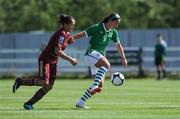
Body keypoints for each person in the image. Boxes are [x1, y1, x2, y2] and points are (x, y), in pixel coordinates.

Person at [12, 14, 78, 110]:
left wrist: (68, 41)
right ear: (64, 24)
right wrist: (71, 59)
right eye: (71, 24)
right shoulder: (61, 34)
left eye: (74, 25)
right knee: (44, 82)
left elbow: (62, 43)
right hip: (45, 59)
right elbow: (57, 51)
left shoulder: (66, 34)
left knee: (49, 85)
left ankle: (28, 104)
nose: (73, 27)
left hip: (53, 61)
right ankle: (20, 81)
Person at [70, 12, 127, 108]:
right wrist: (71, 38)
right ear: (110, 21)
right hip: (90, 54)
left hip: (97, 59)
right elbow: (83, 33)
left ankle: (81, 102)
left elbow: (118, 45)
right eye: (116, 22)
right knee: (106, 64)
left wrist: (123, 57)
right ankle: (94, 86)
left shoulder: (113, 32)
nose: (117, 25)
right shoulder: (97, 27)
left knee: (100, 84)